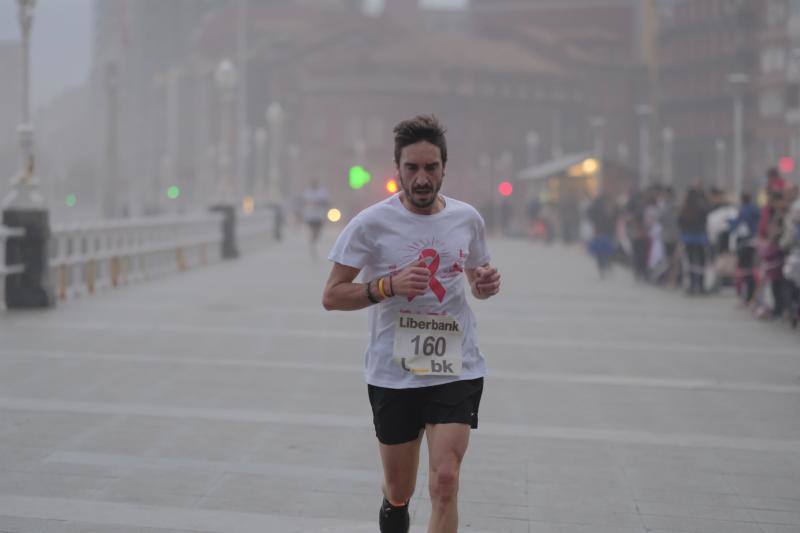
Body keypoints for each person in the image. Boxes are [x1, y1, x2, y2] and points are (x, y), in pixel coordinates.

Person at [321, 115, 501, 533]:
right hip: (394, 372)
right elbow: (332, 295)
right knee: (400, 490)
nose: (422, 179)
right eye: (412, 169)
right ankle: (394, 507)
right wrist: (386, 286)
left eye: (431, 168)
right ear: (397, 169)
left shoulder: (467, 218)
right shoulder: (370, 224)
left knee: (445, 481)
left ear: (444, 168)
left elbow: (476, 275)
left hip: (454, 366)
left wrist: (486, 283)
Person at [302, 180, 330, 258]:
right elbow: (304, 202)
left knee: (318, 231)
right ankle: (312, 243)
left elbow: (327, 202)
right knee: (312, 230)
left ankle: (315, 238)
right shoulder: (307, 192)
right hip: (310, 215)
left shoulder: (322, 192)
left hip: (319, 215)